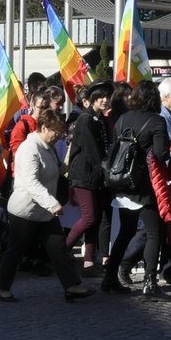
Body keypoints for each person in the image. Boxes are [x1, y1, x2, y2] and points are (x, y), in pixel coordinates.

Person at [0, 110, 92, 303]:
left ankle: (72, 286)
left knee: (58, 248)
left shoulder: (48, 146)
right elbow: (31, 182)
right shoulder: (29, 148)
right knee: (15, 250)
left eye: (60, 133)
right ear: (44, 128)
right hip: (25, 211)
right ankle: (1, 287)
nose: (58, 136)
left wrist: (69, 160)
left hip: (44, 212)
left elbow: (54, 170)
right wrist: (53, 204)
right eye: (56, 132)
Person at [103, 79, 171, 301]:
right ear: (154, 99)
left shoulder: (122, 118)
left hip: (123, 183)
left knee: (125, 232)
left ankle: (109, 278)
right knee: (155, 233)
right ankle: (150, 284)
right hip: (145, 185)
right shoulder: (157, 121)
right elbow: (162, 154)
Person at [64, 83, 113, 274]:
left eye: (107, 96)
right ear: (92, 100)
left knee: (95, 219)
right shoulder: (85, 119)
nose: (105, 100)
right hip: (84, 175)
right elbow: (93, 151)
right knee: (89, 217)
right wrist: (107, 171)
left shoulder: (100, 119)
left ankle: (89, 262)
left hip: (95, 176)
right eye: (101, 97)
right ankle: (61, 251)